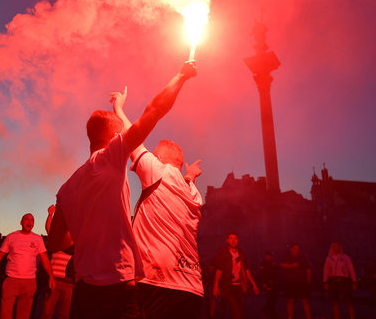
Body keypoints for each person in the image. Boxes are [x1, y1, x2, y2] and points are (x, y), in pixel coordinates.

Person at [48, 61, 197, 319]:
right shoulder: (110, 156)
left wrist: (87, 229)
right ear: (115, 135)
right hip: (118, 287)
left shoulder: (66, 188)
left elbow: (56, 242)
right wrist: (181, 75)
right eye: (123, 133)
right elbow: (154, 110)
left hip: (84, 292)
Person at [111, 87, 205, 319]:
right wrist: (190, 175)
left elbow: (133, 133)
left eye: (154, 153)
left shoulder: (157, 171)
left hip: (156, 282)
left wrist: (118, 108)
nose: (150, 155)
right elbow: (185, 182)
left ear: (161, 159)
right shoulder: (193, 193)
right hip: (192, 287)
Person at [0, 213, 55, 319]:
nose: (29, 221)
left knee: (24, 315)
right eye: (26, 219)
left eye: (32, 220)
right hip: (11, 280)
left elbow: (44, 259)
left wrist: (51, 276)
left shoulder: (37, 239)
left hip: (29, 282)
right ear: (21, 222)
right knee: (4, 314)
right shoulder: (11, 237)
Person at [212, 232, 260, 319]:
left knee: (240, 310)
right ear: (227, 240)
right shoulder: (224, 252)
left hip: (239, 286)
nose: (233, 240)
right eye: (231, 238)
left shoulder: (241, 253)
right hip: (227, 286)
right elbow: (219, 269)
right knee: (234, 311)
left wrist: (254, 284)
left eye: (235, 238)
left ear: (238, 240)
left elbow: (246, 270)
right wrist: (216, 286)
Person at [42, 205, 74, 319]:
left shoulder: (75, 242)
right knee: (46, 312)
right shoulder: (57, 239)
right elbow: (49, 228)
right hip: (54, 280)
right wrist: (50, 214)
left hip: (68, 284)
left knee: (64, 314)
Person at [323, 242, 357, 319]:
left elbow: (351, 269)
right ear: (332, 248)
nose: (336, 248)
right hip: (333, 281)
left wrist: (354, 281)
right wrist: (325, 282)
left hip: (344, 280)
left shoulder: (346, 257)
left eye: (337, 246)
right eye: (334, 246)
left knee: (349, 301)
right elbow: (326, 270)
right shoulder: (329, 258)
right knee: (334, 302)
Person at [281, 243, 312, 319]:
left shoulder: (303, 258)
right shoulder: (287, 257)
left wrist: (308, 281)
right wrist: (292, 265)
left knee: (305, 300)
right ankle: (290, 317)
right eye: (295, 248)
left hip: (302, 283)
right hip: (291, 283)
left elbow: (308, 270)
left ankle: (309, 317)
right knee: (291, 300)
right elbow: (282, 265)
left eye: (298, 248)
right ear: (291, 249)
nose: (297, 250)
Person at [258, 252, 279, 319]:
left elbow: (276, 273)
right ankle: (272, 314)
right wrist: (264, 283)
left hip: (274, 283)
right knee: (270, 298)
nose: (269, 257)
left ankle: (266, 309)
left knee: (274, 297)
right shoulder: (263, 264)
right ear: (265, 256)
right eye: (267, 256)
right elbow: (261, 274)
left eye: (270, 256)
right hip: (267, 283)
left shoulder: (273, 263)